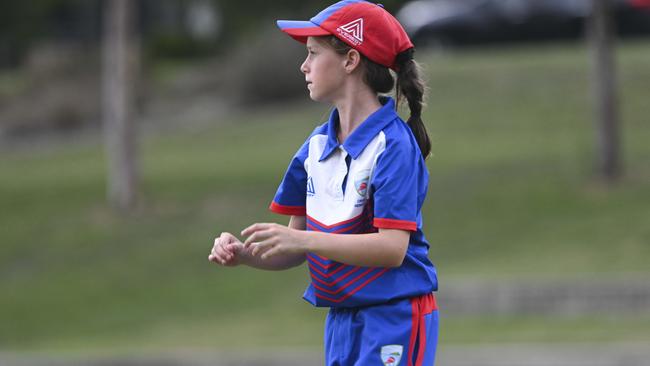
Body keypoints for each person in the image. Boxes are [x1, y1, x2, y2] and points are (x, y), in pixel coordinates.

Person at [209, 1, 438, 365]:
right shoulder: (314, 149)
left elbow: (393, 248)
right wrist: (245, 255)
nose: (304, 65)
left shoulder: (393, 146)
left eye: (313, 53)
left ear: (350, 60)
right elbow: (296, 247)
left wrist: (303, 239)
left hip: (394, 317)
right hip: (342, 319)